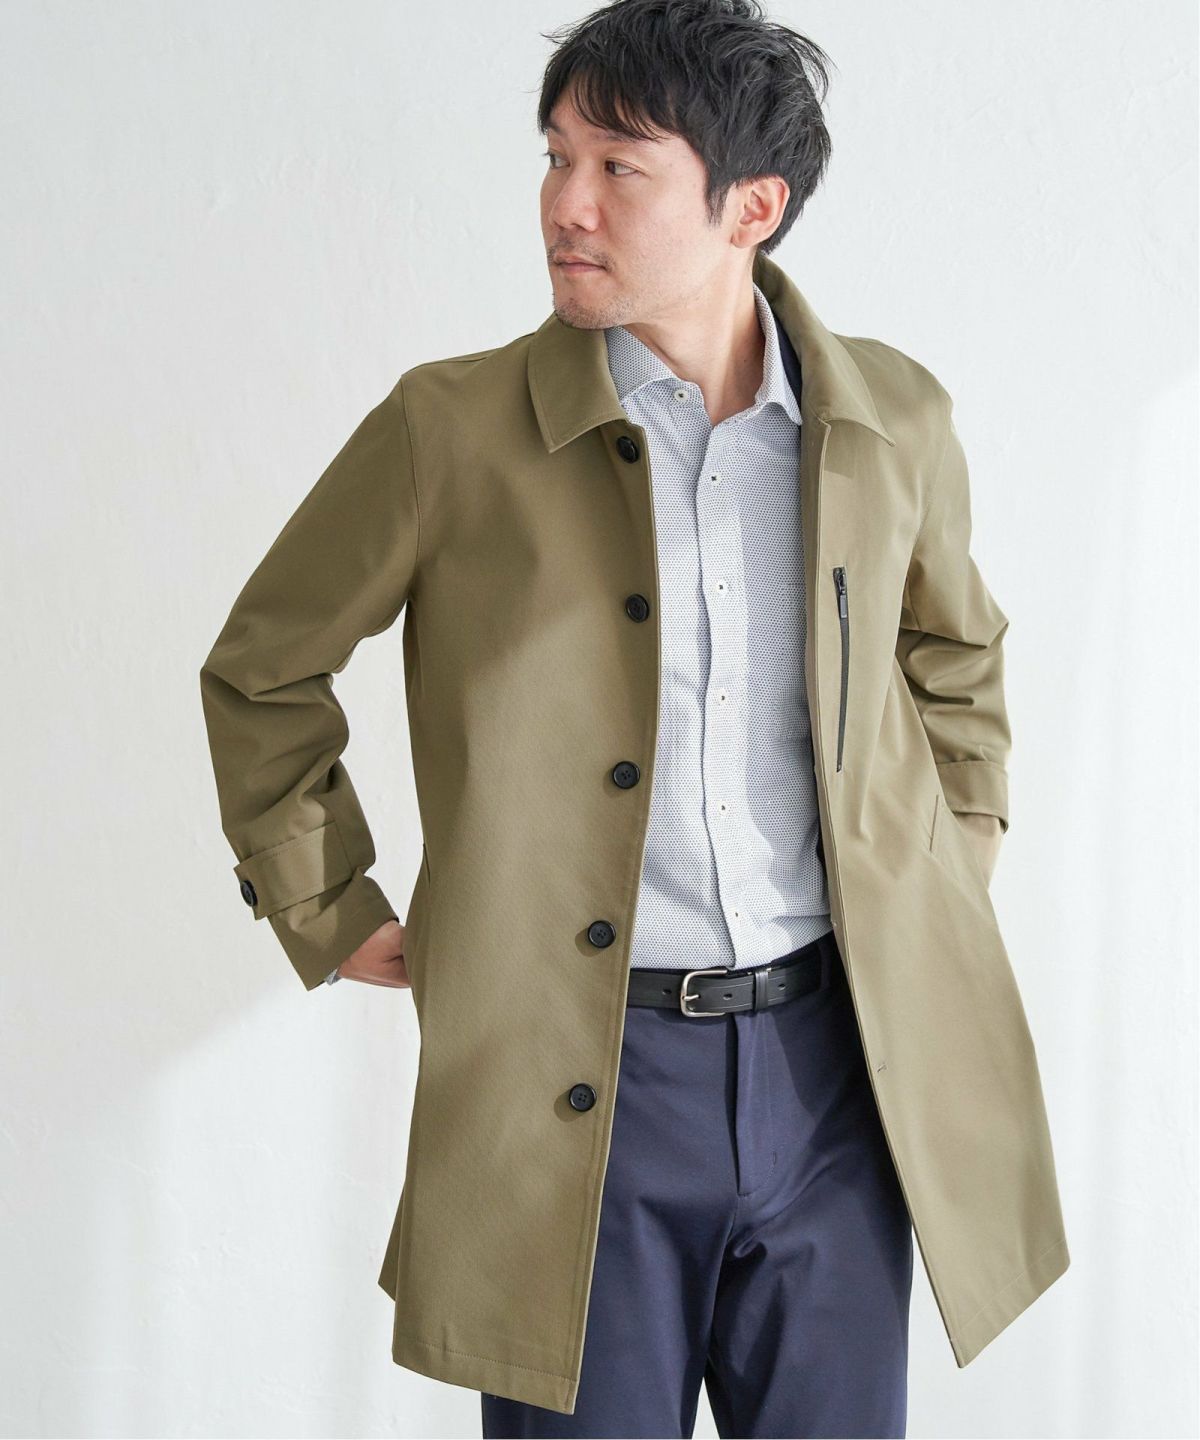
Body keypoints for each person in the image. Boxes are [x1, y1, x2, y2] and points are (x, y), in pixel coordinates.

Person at [199, 2, 1069, 1435]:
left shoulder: (890, 421)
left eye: (619, 167)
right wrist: (324, 901)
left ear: (752, 207)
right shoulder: (450, 430)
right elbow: (263, 668)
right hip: (579, 1089)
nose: (567, 203)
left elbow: (955, 654)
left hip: (840, 1071)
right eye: (556, 157)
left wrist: (947, 862)